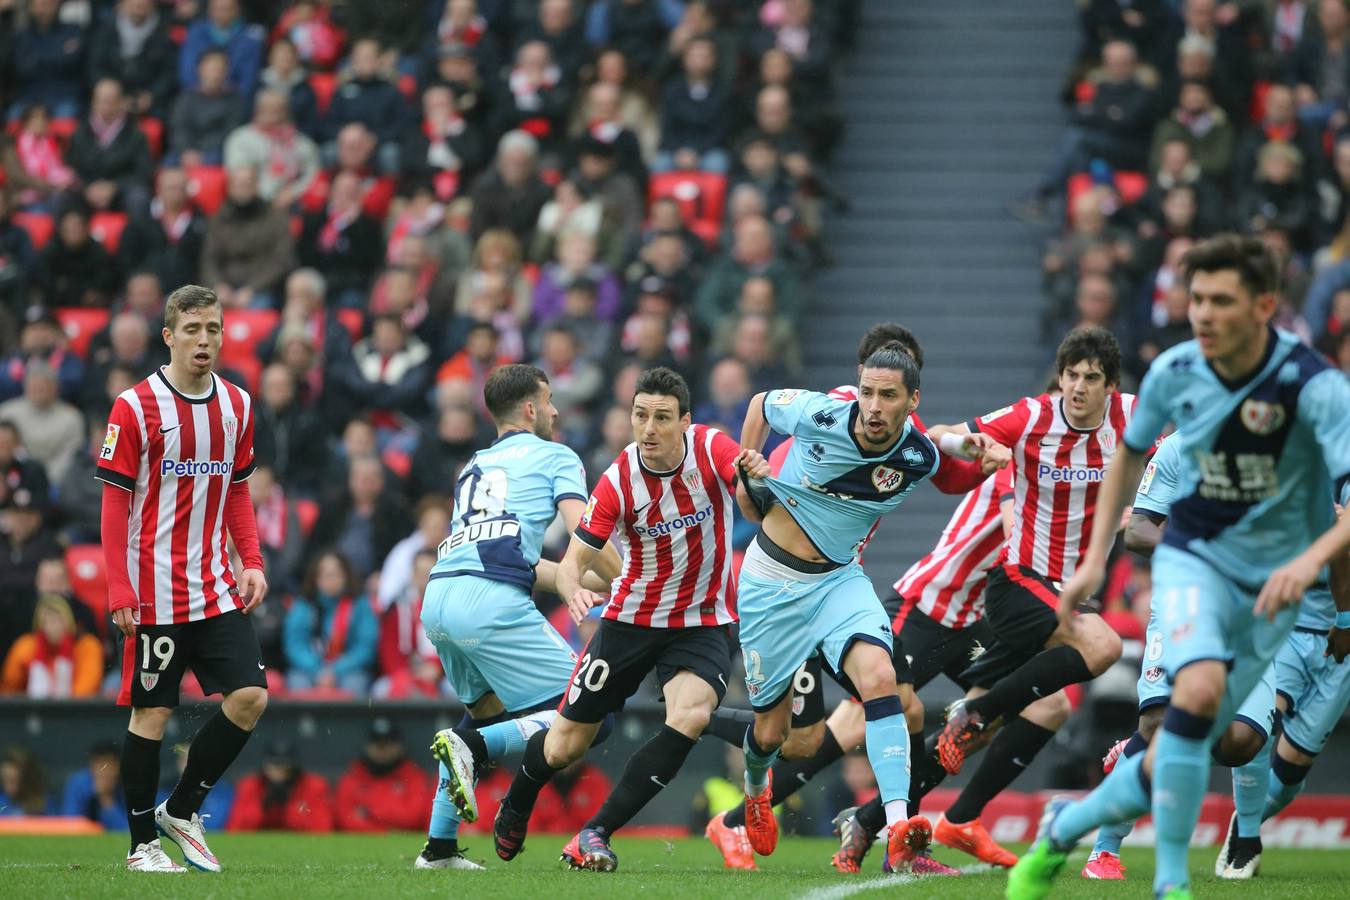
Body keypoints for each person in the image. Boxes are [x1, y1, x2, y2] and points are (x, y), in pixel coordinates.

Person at [1007, 234, 1350, 900]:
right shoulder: (1174, 372)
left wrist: (1308, 560)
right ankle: (1170, 884)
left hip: (1271, 595)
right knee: (1186, 707)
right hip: (1195, 566)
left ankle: (1064, 826)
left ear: (1264, 306)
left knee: (1219, 743)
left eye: (1222, 301)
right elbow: (1129, 463)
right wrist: (1090, 563)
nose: (1203, 315)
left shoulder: (1315, 389)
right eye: (1196, 299)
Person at [730, 347, 1003, 874]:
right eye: (868, 391)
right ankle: (756, 785)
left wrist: (971, 448)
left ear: (912, 400)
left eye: (889, 396)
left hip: (839, 583)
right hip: (771, 582)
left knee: (884, 681)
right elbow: (761, 403)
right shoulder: (821, 414)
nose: (874, 406)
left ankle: (898, 828)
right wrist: (748, 475)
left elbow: (943, 449)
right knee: (774, 733)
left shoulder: (917, 456)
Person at [486, 367, 766, 871]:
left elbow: (740, 478)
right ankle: (518, 800)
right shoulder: (619, 479)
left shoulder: (709, 447)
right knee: (567, 743)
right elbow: (577, 556)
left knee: (691, 714)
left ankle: (594, 833)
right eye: (641, 416)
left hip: (702, 621)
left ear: (685, 421)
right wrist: (571, 587)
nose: (649, 429)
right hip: (630, 619)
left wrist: (752, 473)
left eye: (662, 418)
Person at [412, 363, 619, 870]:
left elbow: (525, 563)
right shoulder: (556, 455)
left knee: (486, 711)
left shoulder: (476, 463)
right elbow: (585, 535)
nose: (553, 410)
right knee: (596, 714)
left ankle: (438, 849)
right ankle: (470, 745)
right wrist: (635, 572)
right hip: (491, 603)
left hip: (439, 598)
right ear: (530, 408)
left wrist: (594, 580)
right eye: (548, 401)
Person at [97, 284, 269, 873]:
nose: (204, 340)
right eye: (192, 330)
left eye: (214, 329)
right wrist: (119, 588)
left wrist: (252, 561)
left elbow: (238, 491)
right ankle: (142, 845)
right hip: (155, 593)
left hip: (216, 585)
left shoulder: (239, 406)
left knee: (250, 697)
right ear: (168, 336)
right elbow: (114, 506)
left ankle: (184, 808)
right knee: (151, 715)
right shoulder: (136, 406)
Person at [928, 328, 1133, 784]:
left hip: (1066, 594)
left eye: (1091, 377)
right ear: (1059, 378)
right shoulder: (1031, 416)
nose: (1078, 386)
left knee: (994, 725)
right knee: (1105, 646)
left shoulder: (1133, 418)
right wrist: (972, 446)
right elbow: (939, 433)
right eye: (1071, 375)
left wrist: (1150, 504)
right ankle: (977, 711)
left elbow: (1177, 457)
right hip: (1018, 582)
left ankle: (876, 821)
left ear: (1111, 386)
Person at [1078, 433, 1279, 880]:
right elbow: (1139, 530)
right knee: (1157, 726)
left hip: (1251, 617)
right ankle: (1104, 852)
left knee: (1241, 743)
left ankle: (1132, 754)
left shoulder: (1281, 442)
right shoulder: (1177, 447)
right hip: (1181, 604)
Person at [334, 718, 433, 833]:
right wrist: (386, 830)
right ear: (367, 747)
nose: (383, 750)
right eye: (378, 745)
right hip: (360, 846)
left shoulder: (413, 777)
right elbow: (346, 821)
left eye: (388, 744)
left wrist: (369, 812)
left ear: (400, 747)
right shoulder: (352, 777)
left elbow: (414, 818)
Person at [1, 594, 104, 698]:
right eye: (47, 621)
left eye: (58, 620)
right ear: (39, 625)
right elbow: (10, 685)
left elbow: (87, 687)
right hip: (33, 710)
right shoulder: (27, 646)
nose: (53, 626)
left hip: (73, 710)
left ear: (68, 622)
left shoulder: (86, 646)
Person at [228, 740, 333, 832]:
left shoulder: (314, 786)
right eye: (274, 766)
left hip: (300, 846)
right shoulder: (249, 786)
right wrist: (263, 808)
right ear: (264, 766)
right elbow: (235, 828)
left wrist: (288, 808)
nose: (279, 772)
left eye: (285, 766)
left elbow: (322, 828)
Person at [61, 741, 126, 831]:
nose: (103, 770)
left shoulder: (128, 784)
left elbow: (126, 830)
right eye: (98, 762)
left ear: (118, 766)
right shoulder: (79, 783)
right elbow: (71, 823)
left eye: (108, 763)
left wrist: (106, 798)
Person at [0, 746, 50, 816]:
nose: (9, 786)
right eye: (5, 780)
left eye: (13, 781)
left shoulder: (43, 803)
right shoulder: (2, 802)